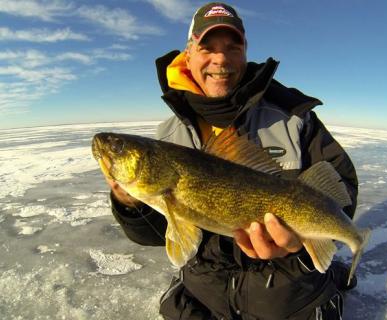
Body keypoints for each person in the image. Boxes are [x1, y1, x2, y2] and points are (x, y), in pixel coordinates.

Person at [105, 2, 358, 319]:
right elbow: (155, 233)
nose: (220, 59)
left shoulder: (295, 118)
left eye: (232, 47)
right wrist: (130, 204)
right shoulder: (168, 136)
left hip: (291, 299)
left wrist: (299, 246)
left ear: (245, 52)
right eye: (207, 47)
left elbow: (341, 190)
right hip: (205, 297)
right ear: (188, 53)